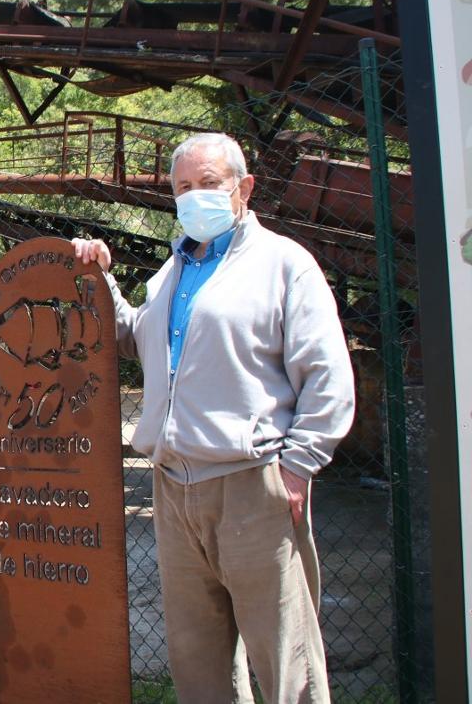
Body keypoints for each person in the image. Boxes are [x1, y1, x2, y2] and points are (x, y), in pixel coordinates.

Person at [73, 132, 354, 704]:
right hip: (173, 489)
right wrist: (99, 276)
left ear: (243, 189)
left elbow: (326, 374)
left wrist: (297, 467)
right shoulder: (172, 271)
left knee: (286, 662)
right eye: (182, 188)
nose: (194, 197)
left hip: (252, 484)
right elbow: (133, 338)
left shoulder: (283, 264)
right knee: (198, 664)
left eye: (209, 185)